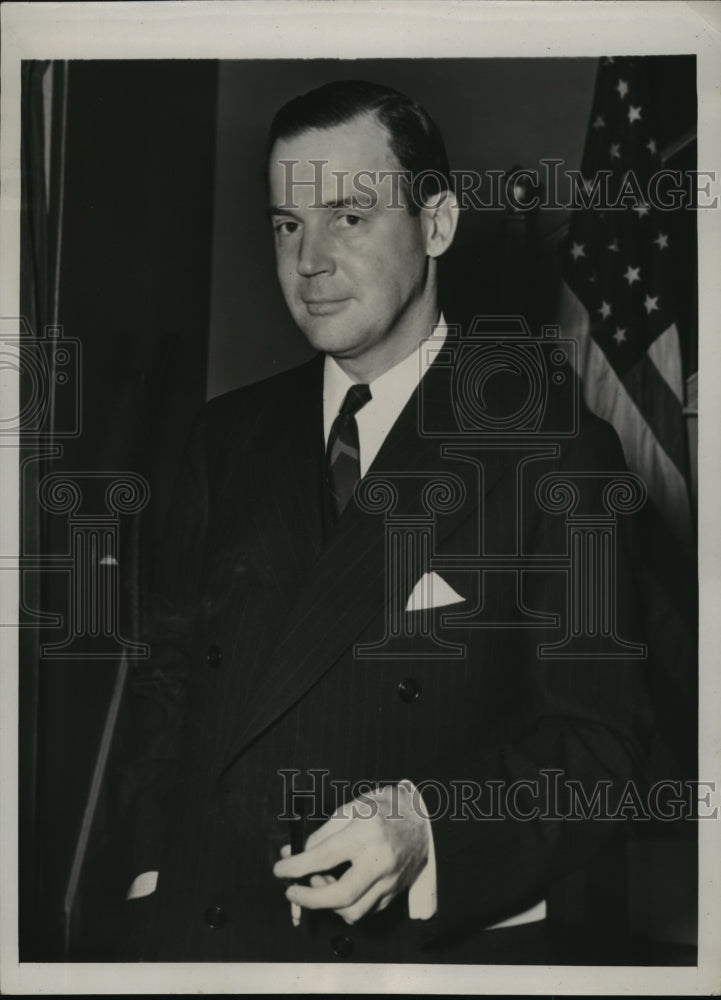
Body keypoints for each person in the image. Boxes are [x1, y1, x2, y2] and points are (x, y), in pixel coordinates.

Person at [116, 80, 650, 964]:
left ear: (435, 224)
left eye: (348, 217)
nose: (309, 260)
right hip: (204, 942)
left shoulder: (554, 447)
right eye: (287, 224)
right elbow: (169, 681)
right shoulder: (224, 435)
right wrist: (147, 873)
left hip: (412, 950)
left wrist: (432, 826)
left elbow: (598, 747)